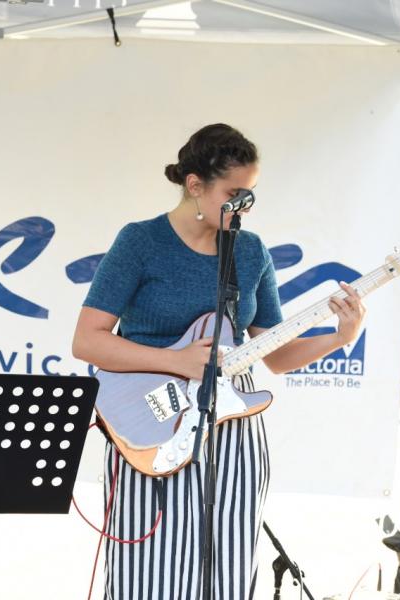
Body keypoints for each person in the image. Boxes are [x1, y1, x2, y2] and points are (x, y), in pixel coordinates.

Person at [71, 123, 366, 600]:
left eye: (251, 194)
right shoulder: (141, 242)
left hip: (233, 434)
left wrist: (339, 337)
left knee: (227, 569)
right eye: (235, 193)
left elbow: (277, 355)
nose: (245, 205)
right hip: (151, 422)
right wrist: (178, 361)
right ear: (195, 186)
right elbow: (87, 341)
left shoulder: (250, 252)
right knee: (147, 575)